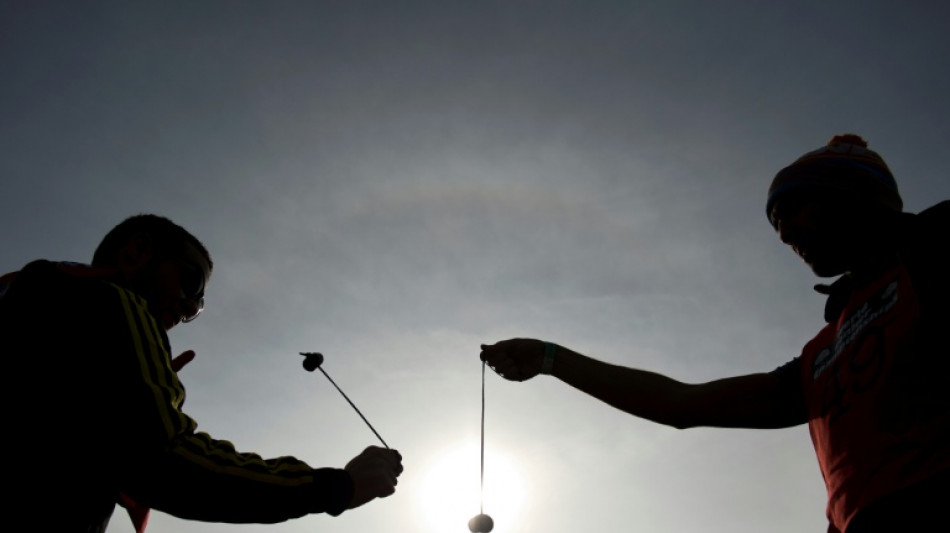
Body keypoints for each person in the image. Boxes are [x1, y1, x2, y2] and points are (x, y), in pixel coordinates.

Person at [480, 134, 949, 533]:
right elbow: (684, 404)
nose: (784, 234)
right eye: (775, 223)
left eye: (792, 208)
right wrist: (551, 358)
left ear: (851, 197)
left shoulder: (933, 245)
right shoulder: (820, 355)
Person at [0, 214, 403, 532]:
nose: (190, 308)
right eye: (191, 283)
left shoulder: (30, 294)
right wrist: (337, 487)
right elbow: (165, 460)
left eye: (199, 305)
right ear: (138, 251)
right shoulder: (115, 301)